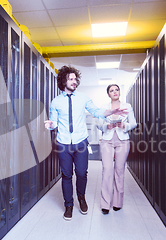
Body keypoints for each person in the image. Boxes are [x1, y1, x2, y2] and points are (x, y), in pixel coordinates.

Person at [44, 66, 128, 220]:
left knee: (82, 173)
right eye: (71, 79)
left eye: (75, 79)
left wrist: (112, 111)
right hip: (63, 143)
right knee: (66, 175)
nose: (74, 81)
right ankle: (68, 205)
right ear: (63, 80)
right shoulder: (55, 102)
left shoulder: (83, 98)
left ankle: (81, 198)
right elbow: (54, 122)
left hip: (81, 142)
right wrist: (51, 124)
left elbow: (96, 111)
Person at [96, 84, 137, 214]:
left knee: (119, 171)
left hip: (123, 140)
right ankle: (105, 204)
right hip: (107, 140)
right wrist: (106, 127)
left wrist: (124, 125)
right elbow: (98, 124)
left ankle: (118, 202)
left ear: (119, 92)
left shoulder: (127, 106)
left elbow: (134, 123)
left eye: (117, 89)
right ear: (108, 94)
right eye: (111, 90)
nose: (115, 92)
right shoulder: (104, 108)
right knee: (107, 170)